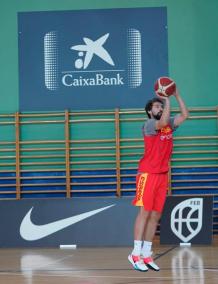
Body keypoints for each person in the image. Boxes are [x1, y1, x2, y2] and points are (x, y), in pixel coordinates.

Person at [128, 88, 189, 272]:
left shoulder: (169, 123)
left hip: (162, 175)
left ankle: (146, 255)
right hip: (147, 174)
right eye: (157, 106)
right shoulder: (148, 124)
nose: (160, 107)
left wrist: (176, 95)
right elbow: (162, 122)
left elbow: (185, 115)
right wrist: (166, 100)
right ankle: (135, 254)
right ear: (149, 111)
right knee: (144, 213)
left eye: (161, 105)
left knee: (155, 216)